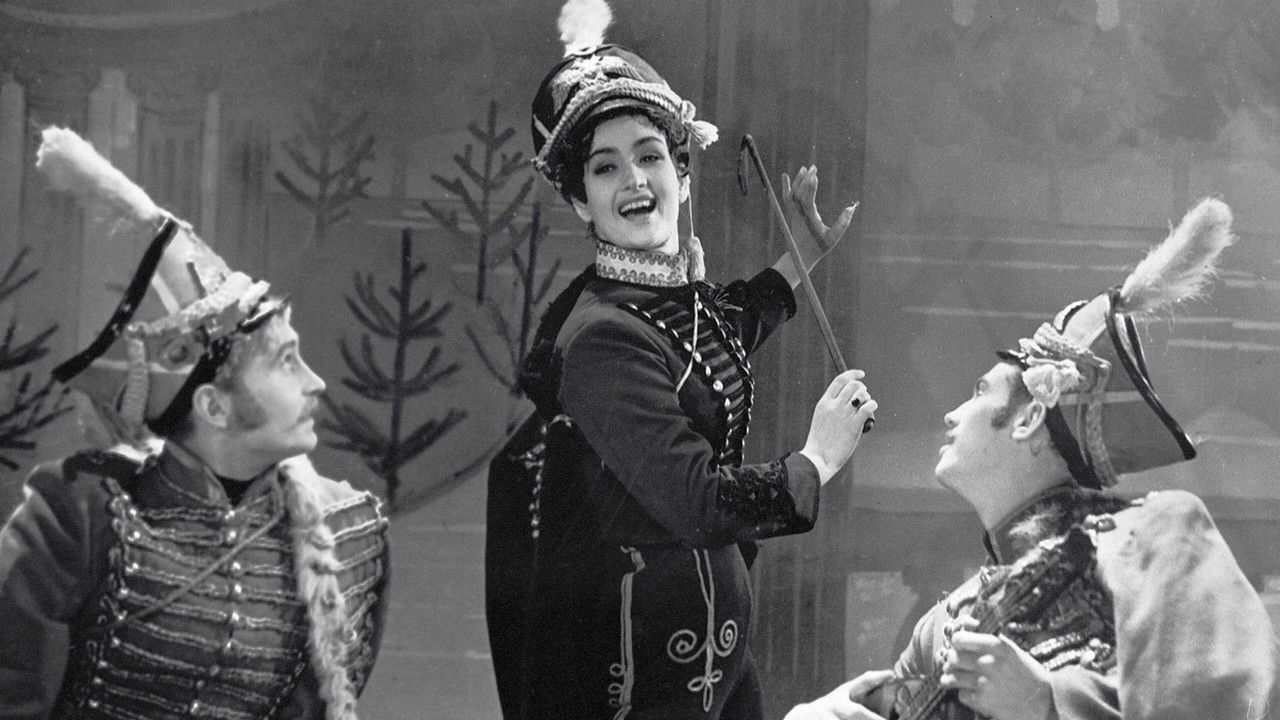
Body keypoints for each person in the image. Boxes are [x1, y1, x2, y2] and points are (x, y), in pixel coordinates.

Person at [484, 1, 878, 718]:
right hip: (630, 678)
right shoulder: (601, 339)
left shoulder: (670, 298)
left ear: (682, 173)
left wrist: (800, 259)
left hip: (716, 670)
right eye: (605, 167)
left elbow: (720, 335)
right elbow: (697, 501)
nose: (634, 180)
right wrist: (816, 460)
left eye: (649, 156)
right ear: (581, 202)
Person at [785, 197, 1279, 720]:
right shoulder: (942, 628)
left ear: (1029, 420)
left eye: (978, 392)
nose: (952, 414)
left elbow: (1223, 700)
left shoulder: (1157, 536)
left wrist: (1047, 701)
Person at [0, 127, 389, 720]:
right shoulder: (76, 516)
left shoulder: (349, 534)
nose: (317, 383)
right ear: (213, 407)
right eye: (286, 362)